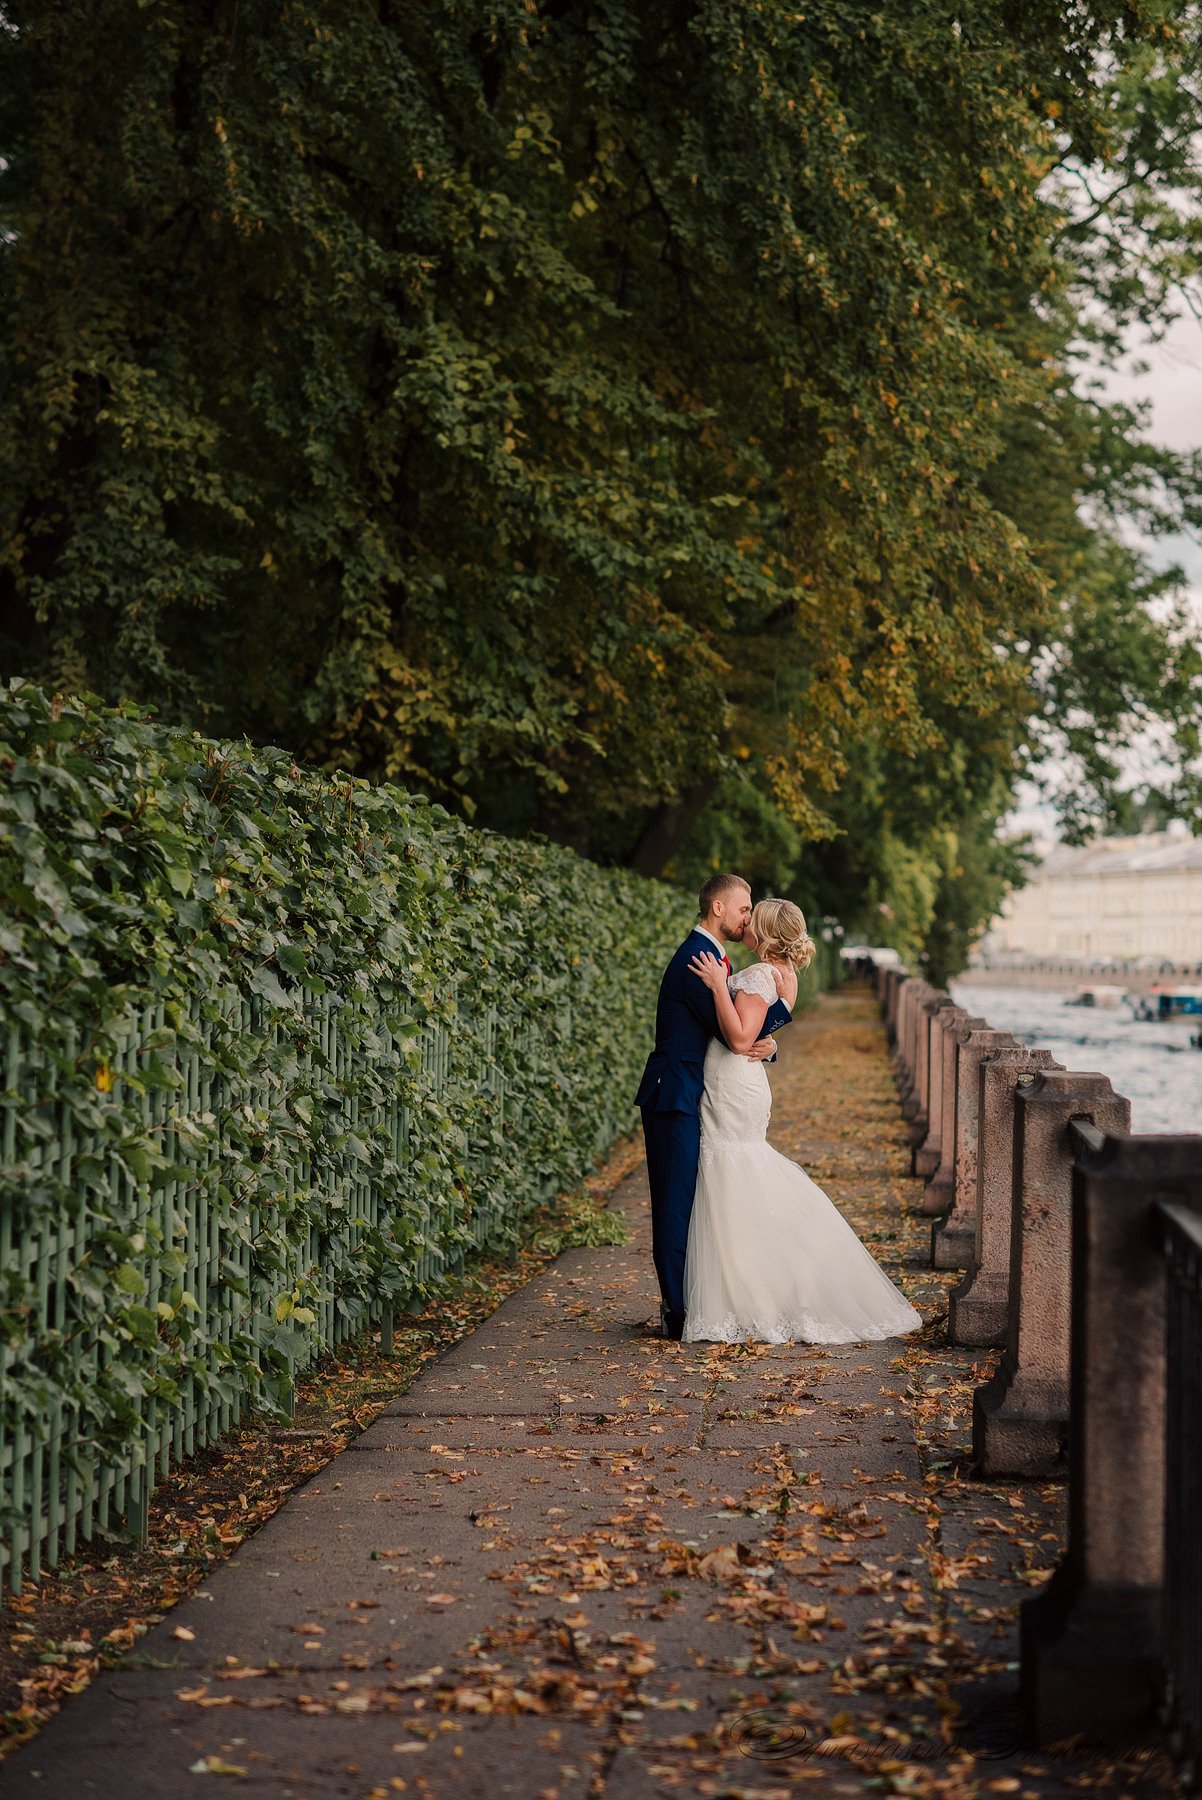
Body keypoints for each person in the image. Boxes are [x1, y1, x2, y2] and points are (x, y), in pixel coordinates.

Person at [684, 896, 921, 1345]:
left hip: (733, 1080)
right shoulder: (786, 976)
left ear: (768, 932)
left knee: (734, 1174)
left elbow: (739, 1038)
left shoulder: (756, 973)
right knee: (741, 1173)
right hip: (746, 1081)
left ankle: (748, 1297)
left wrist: (718, 985)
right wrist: (770, 1045)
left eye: (753, 918)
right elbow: (765, 1032)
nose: (746, 921)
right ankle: (753, 1290)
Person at [635, 874, 777, 1341]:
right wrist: (766, 1035)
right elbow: (733, 1034)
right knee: (675, 1206)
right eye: (743, 906)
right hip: (673, 1094)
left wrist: (767, 1041)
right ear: (717, 908)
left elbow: (738, 1027)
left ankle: (681, 1304)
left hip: (683, 1091)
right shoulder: (700, 958)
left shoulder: (713, 957)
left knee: (686, 1203)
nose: (747, 915)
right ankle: (677, 1315)